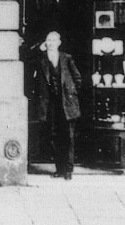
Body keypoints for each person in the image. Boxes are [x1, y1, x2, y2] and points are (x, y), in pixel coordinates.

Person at [28, 28, 83, 181]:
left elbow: (78, 79)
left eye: (54, 40)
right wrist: (38, 49)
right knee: (53, 136)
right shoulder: (41, 59)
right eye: (48, 40)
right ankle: (59, 168)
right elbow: (27, 59)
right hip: (50, 104)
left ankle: (68, 170)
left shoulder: (67, 58)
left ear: (59, 43)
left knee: (69, 137)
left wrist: (70, 94)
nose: (51, 43)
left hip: (66, 103)